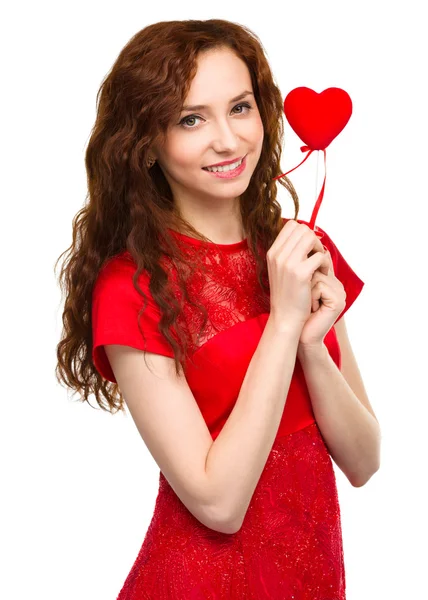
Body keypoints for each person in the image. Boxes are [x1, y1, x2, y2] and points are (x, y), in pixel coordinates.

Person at [55, 19, 380, 599]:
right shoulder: (131, 286)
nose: (228, 141)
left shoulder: (297, 248)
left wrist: (311, 345)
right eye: (190, 119)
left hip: (312, 579)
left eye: (240, 107)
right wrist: (282, 325)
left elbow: (363, 461)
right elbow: (219, 504)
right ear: (145, 143)